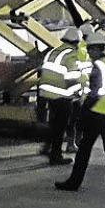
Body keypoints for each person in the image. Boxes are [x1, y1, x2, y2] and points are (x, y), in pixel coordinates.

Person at [55, 27, 105, 192]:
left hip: (98, 113)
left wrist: (83, 113)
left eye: (90, 49)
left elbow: (94, 93)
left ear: (97, 48)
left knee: (84, 149)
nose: (88, 52)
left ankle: (73, 183)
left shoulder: (98, 67)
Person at [38, 26, 85, 165]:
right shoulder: (71, 55)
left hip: (48, 94)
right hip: (62, 95)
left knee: (53, 125)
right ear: (77, 42)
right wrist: (79, 94)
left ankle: (48, 149)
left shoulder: (54, 51)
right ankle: (56, 156)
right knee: (60, 127)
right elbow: (72, 78)